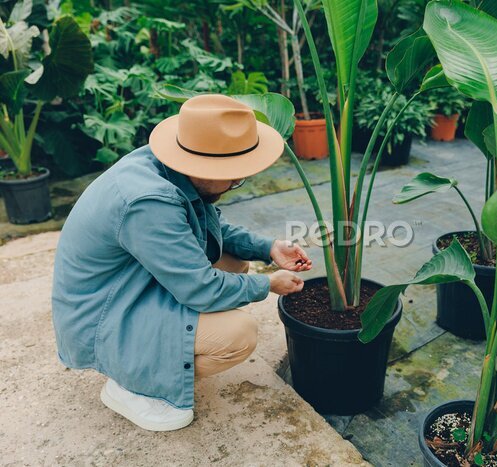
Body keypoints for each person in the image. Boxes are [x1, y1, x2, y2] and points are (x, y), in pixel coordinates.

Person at [52, 94, 311, 432]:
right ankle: (130, 385)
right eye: (232, 177)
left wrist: (268, 248)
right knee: (239, 334)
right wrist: (269, 284)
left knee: (232, 263)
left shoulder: (167, 168)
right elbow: (202, 289)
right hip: (102, 314)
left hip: (129, 283)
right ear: (199, 165)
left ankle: (155, 354)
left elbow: (208, 224)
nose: (235, 185)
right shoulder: (150, 201)